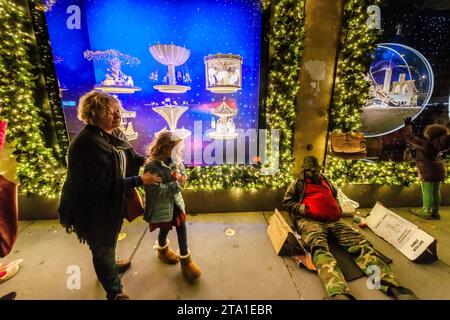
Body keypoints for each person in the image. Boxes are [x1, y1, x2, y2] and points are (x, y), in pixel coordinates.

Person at [58, 91, 161, 300]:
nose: (118, 117)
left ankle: (109, 267)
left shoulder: (113, 134)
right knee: (102, 246)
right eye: (112, 113)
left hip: (108, 204)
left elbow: (129, 155)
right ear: (94, 114)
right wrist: (142, 180)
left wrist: (152, 161)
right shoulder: (89, 143)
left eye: (118, 112)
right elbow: (105, 185)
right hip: (90, 208)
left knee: (108, 241)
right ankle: (115, 293)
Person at [282, 156, 418, 300]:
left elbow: (334, 196)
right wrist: (306, 209)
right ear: (304, 170)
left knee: (359, 243)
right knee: (319, 246)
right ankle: (338, 292)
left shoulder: (325, 180)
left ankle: (393, 286)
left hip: (333, 219)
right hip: (310, 220)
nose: (313, 173)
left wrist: (336, 209)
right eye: (310, 171)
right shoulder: (297, 183)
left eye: (315, 170)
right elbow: (287, 202)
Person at [144, 131, 201, 280]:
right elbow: (155, 192)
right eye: (177, 149)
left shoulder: (177, 162)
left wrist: (182, 180)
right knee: (164, 229)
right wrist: (177, 185)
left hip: (176, 203)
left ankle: (185, 259)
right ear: (165, 148)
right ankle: (162, 249)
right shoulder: (152, 167)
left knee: (182, 228)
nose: (179, 152)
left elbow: (181, 178)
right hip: (162, 207)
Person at [403, 117, 449, 219]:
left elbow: (409, 137)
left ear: (430, 134)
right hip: (439, 170)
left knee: (427, 191)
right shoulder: (440, 144)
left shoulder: (425, 144)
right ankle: (435, 212)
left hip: (428, 171)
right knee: (436, 192)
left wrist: (408, 125)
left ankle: (426, 211)